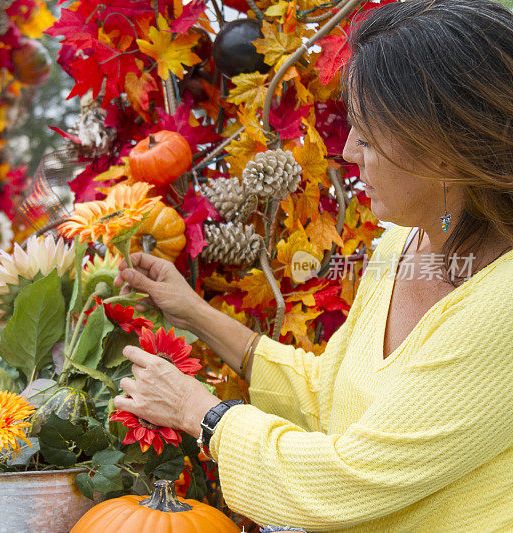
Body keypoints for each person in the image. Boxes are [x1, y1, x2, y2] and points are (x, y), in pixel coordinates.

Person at [111, 0, 513, 530]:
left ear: (441, 149)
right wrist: (192, 313)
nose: (347, 151)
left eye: (367, 136)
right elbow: (332, 395)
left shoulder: (501, 307)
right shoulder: (404, 246)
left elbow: (349, 479)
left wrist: (200, 414)